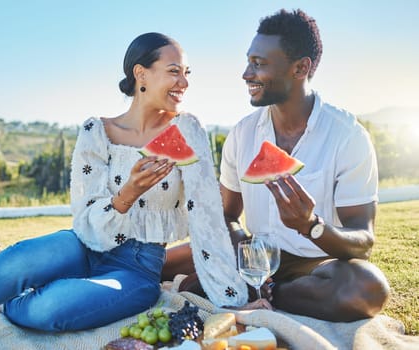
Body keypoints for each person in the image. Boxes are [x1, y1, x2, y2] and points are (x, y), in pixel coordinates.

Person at [0, 32, 265, 339]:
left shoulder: (188, 130)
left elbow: (208, 220)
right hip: (84, 243)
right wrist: (126, 195)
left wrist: (232, 298)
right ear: (141, 74)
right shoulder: (96, 132)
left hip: (138, 267)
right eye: (174, 71)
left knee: (52, 308)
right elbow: (84, 219)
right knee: (17, 260)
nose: (184, 82)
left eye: (187, 73)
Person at [167, 9, 391, 322]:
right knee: (163, 261)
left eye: (258, 64)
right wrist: (247, 254)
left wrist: (310, 225)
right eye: (248, 61)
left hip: (318, 265)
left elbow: (362, 241)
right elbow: (227, 216)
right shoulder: (242, 134)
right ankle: (248, 284)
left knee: (368, 288)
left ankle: (263, 294)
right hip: (255, 257)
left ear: (300, 67)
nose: (246, 74)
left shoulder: (347, 136)